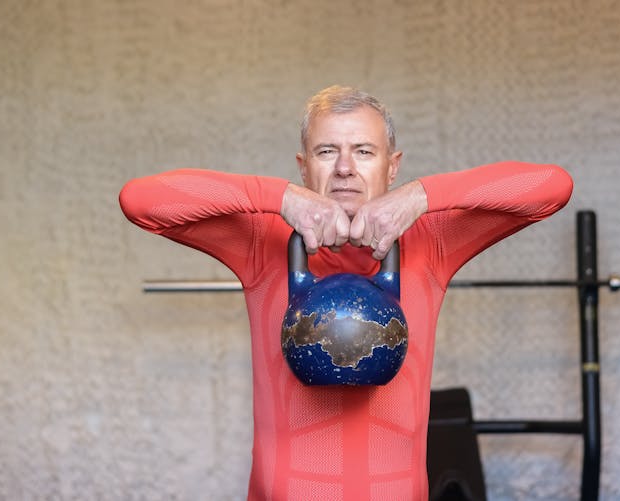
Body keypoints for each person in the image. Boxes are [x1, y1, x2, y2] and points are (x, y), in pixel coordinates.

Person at [119, 85, 573, 501]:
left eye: (363, 151)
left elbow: (551, 187)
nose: (344, 168)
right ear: (303, 166)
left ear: (392, 166)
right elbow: (141, 201)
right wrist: (280, 198)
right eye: (326, 151)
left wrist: (421, 196)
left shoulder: (432, 240)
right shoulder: (262, 240)